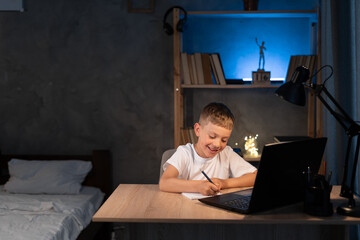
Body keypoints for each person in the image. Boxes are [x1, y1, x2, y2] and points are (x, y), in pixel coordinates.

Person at [159, 102, 257, 196]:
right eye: (212, 136)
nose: (217, 144)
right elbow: (164, 182)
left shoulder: (226, 153)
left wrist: (224, 183)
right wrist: (198, 187)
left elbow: (255, 176)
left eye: (224, 140)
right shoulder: (185, 153)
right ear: (198, 130)